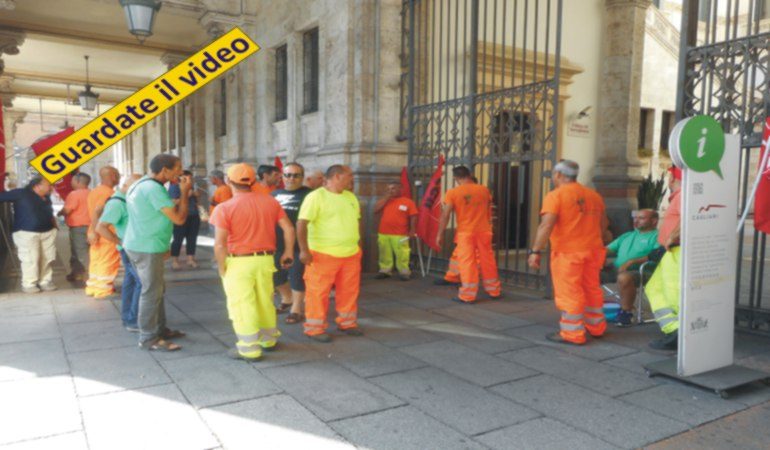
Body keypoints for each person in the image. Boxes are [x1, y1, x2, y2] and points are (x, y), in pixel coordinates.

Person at [211, 163, 295, 361]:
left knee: (242, 305)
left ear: (228, 181)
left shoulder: (224, 208)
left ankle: (249, 348)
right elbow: (289, 229)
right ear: (253, 181)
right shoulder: (270, 202)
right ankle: (268, 340)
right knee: (265, 301)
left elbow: (220, 245)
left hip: (238, 263)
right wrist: (288, 252)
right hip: (266, 260)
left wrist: (222, 267)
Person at [527, 160, 610, 345]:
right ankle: (596, 327)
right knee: (591, 289)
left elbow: (546, 225)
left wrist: (535, 251)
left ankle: (573, 334)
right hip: (593, 250)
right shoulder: (594, 195)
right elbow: (604, 224)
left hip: (568, 253)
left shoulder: (556, 196)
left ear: (557, 175)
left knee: (570, 292)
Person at [124, 154, 191, 352]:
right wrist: (185, 193)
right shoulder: (153, 188)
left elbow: (151, 214)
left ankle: (160, 329)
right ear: (165, 170)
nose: (180, 172)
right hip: (147, 247)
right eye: (178, 168)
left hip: (141, 243)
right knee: (151, 292)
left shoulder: (139, 183)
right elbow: (179, 219)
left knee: (156, 289)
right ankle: (148, 338)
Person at [297, 165, 363, 342]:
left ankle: (347, 323)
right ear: (337, 176)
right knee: (318, 293)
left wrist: (358, 245)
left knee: (349, 291)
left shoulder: (350, 197)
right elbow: (301, 224)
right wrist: (303, 250)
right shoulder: (315, 197)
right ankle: (314, 328)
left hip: (350, 254)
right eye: (349, 175)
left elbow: (356, 222)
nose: (352, 179)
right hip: (322, 254)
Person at [436, 166, 501, 303]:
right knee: (488, 260)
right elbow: (489, 208)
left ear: (455, 178)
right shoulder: (484, 190)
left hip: (466, 232)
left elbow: (445, 215)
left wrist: (440, 234)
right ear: (470, 175)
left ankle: (468, 295)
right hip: (484, 230)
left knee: (467, 263)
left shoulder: (453, 193)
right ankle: (494, 290)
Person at [95, 174, 143, 332]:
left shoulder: (126, 199)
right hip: (129, 249)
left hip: (131, 248)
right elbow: (101, 227)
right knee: (142, 283)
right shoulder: (117, 203)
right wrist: (120, 242)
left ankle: (128, 317)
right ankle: (134, 320)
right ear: (129, 185)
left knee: (131, 283)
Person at [644, 166, 682, 350]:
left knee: (673, 293)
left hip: (676, 251)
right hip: (670, 252)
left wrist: (672, 237)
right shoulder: (677, 196)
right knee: (654, 287)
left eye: (669, 175)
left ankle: (680, 334)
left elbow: (689, 217)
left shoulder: (683, 194)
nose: (667, 178)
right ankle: (673, 328)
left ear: (674, 177)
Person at [0, 176, 58, 293]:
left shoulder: (46, 197)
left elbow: (49, 212)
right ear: (37, 185)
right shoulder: (21, 193)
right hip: (26, 233)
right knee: (30, 259)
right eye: (48, 185)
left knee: (47, 257)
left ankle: (45, 281)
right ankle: (29, 283)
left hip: (48, 232)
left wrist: (54, 226)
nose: (51, 187)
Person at [271, 162, 312, 324]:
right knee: (276, 277)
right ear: (282, 176)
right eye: (288, 175)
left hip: (299, 245)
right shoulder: (273, 195)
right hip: (276, 244)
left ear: (302, 177)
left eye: (296, 175)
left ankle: (296, 309)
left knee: (296, 276)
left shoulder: (310, 195)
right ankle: (287, 299)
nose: (291, 178)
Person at [604, 208, 660, 326]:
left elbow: (656, 255)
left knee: (624, 277)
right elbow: (606, 250)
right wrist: (597, 258)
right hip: (616, 269)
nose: (636, 221)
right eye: (635, 218)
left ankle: (626, 313)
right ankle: (588, 312)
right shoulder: (628, 235)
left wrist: (631, 262)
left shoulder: (657, 236)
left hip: (644, 272)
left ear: (654, 221)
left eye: (641, 218)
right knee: (584, 272)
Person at [85, 166, 121, 298]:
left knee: (96, 261)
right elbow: (97, 211)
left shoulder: (94, 191)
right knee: (107, 261)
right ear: (113, 176)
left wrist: (92, 231)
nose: (119, 177)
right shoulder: (108, 193)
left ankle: (93, 287)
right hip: (106, 233)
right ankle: (103, 290)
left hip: (95, 231)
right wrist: (96, 231)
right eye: (118, 174)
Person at [374, 181, 418, 281]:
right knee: (384, 253)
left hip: (400, 233)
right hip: (383, 232)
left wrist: (412, 230)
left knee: (402, 253)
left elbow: (413, 217)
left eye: (393, 188)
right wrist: (386, 198)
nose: (390, 191)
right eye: (388, 189)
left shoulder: (408, 202)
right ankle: (385, 271)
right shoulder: (385, 201)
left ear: (400, 189)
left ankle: (404, 272)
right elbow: (375, 210)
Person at [58, 173, 91, 282]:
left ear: (78, 182)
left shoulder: (74, 194)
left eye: (72, 181)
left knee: (80, 252)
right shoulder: (92, 192)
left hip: (78, 227)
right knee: (87, 250)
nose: (70, 183)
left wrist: (60, 212)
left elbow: (67, 210)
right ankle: (76, 273)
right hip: (92, 227)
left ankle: (88, 275)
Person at [169, 170, 201, 269]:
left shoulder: (191, 187)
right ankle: (175, 260)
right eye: (187, 178)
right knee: (178, 239)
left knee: (192, 238)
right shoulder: (174, 187)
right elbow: (173, 202)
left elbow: (195, 202)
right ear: (181, 178)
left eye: (191, 178)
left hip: (194, 215)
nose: (190, 180)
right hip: (181, 216)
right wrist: (186, 194)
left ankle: (190, 259)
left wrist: (196, 196)